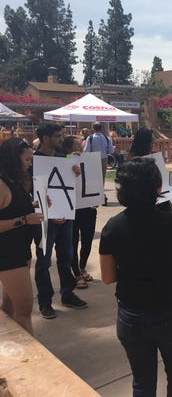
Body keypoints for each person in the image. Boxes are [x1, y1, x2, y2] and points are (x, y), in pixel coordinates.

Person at [100, 158, 172, 396]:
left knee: (142, 383)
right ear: (157, 189)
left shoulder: (112, 227)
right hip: (170, 311)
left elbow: (108, 277)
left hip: (131, 314)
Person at [33, 123, 87, 319]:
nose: (60, 140)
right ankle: (45, 301)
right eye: (57, 136)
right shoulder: (32, 161)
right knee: (44, 261)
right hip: (45, 220)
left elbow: (68, 184)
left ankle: (67, 293)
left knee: (66, 256)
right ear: (45, 138)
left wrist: (75, 172)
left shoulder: (61, 158)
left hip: (65, 216)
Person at [0, 138, 44, 334]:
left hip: (19, 250)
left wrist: (35, 205)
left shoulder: (13, 180)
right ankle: (31, 353)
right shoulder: (1, 184)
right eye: (27, 160)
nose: (30, 164)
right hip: (8, 255)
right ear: (12, 160)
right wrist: (25, 220)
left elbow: (12, 208)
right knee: (24, 308)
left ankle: (11, 345)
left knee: (10, 306)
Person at [62, 136, 96, 289]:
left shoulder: (88, 161)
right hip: (73, 208)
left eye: (80, 146)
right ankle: (76, 272)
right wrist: (69, 162)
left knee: (87, 239)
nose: (80, 149)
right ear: (67, 149)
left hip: (88, 207)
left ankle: (82, 267)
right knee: (74, 240)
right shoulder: (63, 162)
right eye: (76, 146)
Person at [84, 122, 114, 205]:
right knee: (102, 178)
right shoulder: (106, 138)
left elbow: (87, 151)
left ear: (93, 128)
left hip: (93, 159)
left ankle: (96, 196)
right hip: (104, 158)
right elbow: (111, 151)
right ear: (101, 128)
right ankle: (101, 195)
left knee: (93, 178)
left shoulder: (90, 138)